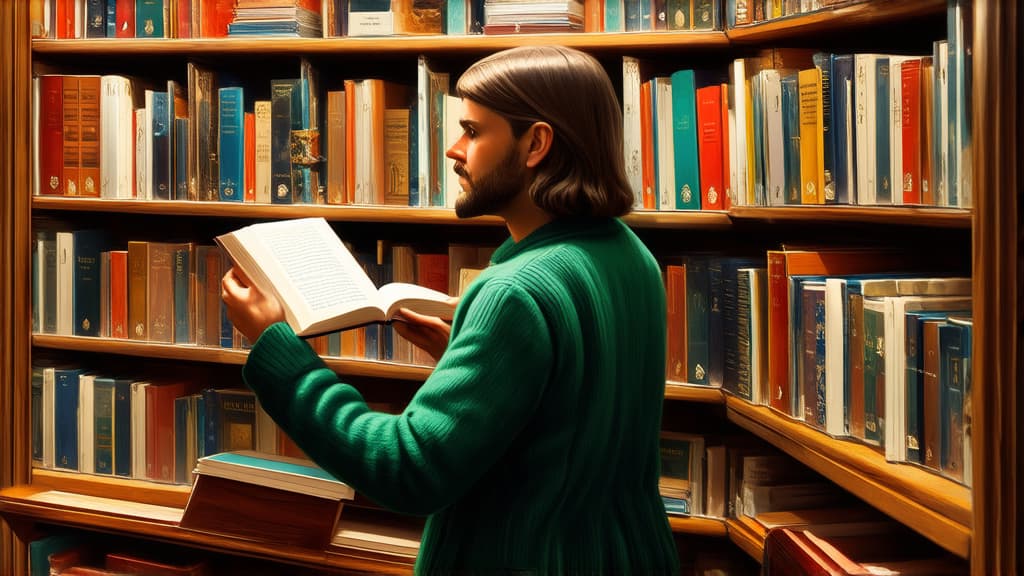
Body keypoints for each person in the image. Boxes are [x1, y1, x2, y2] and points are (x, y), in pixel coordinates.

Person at [221, 45, 679, 575]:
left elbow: (409, 468)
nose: (454, 150)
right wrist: (472, 361)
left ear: (536, 143)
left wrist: (279, 350)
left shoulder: (514, 292)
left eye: (474, 131)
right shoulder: (631, 255)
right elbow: (572, 415)